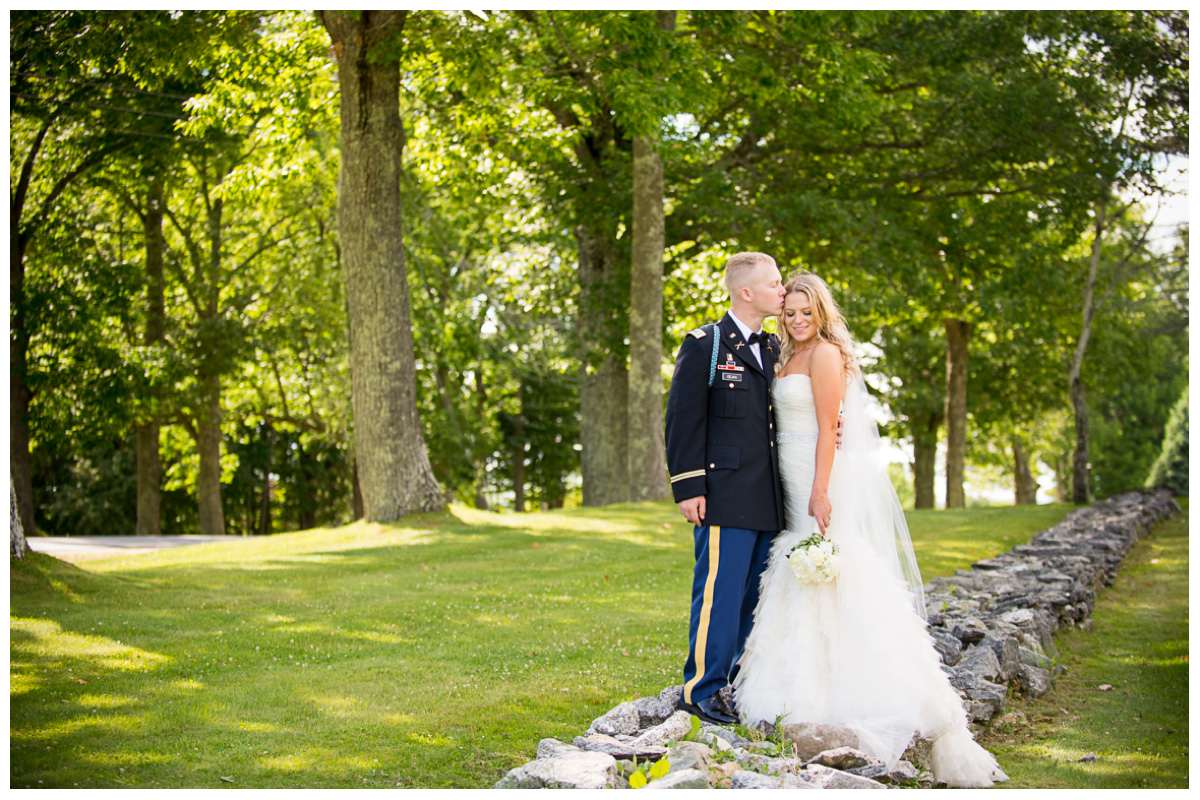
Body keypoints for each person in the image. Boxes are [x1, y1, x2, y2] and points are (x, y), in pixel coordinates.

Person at [732, 272, 1008, 788]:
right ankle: (798, 684)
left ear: (821, 313)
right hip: (784, 470)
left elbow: (829, 429)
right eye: (788, 312)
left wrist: (820, 489)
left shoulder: (825, 355)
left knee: (833, 557)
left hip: (817, 470)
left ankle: (857, 687)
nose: (795, 320)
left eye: (804, 313)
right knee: (798, 558)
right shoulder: (782, 354)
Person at [664, 252, 786, 726]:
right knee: (719, 592)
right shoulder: (707, 344)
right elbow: (682, 419)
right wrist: (688, 486)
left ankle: (732, 681)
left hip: (768, 496)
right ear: (746, 292)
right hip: (724, 492)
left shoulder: (775, 347)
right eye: (774, 284)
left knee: (751, 597)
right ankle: (702, 687)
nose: (783, 290)